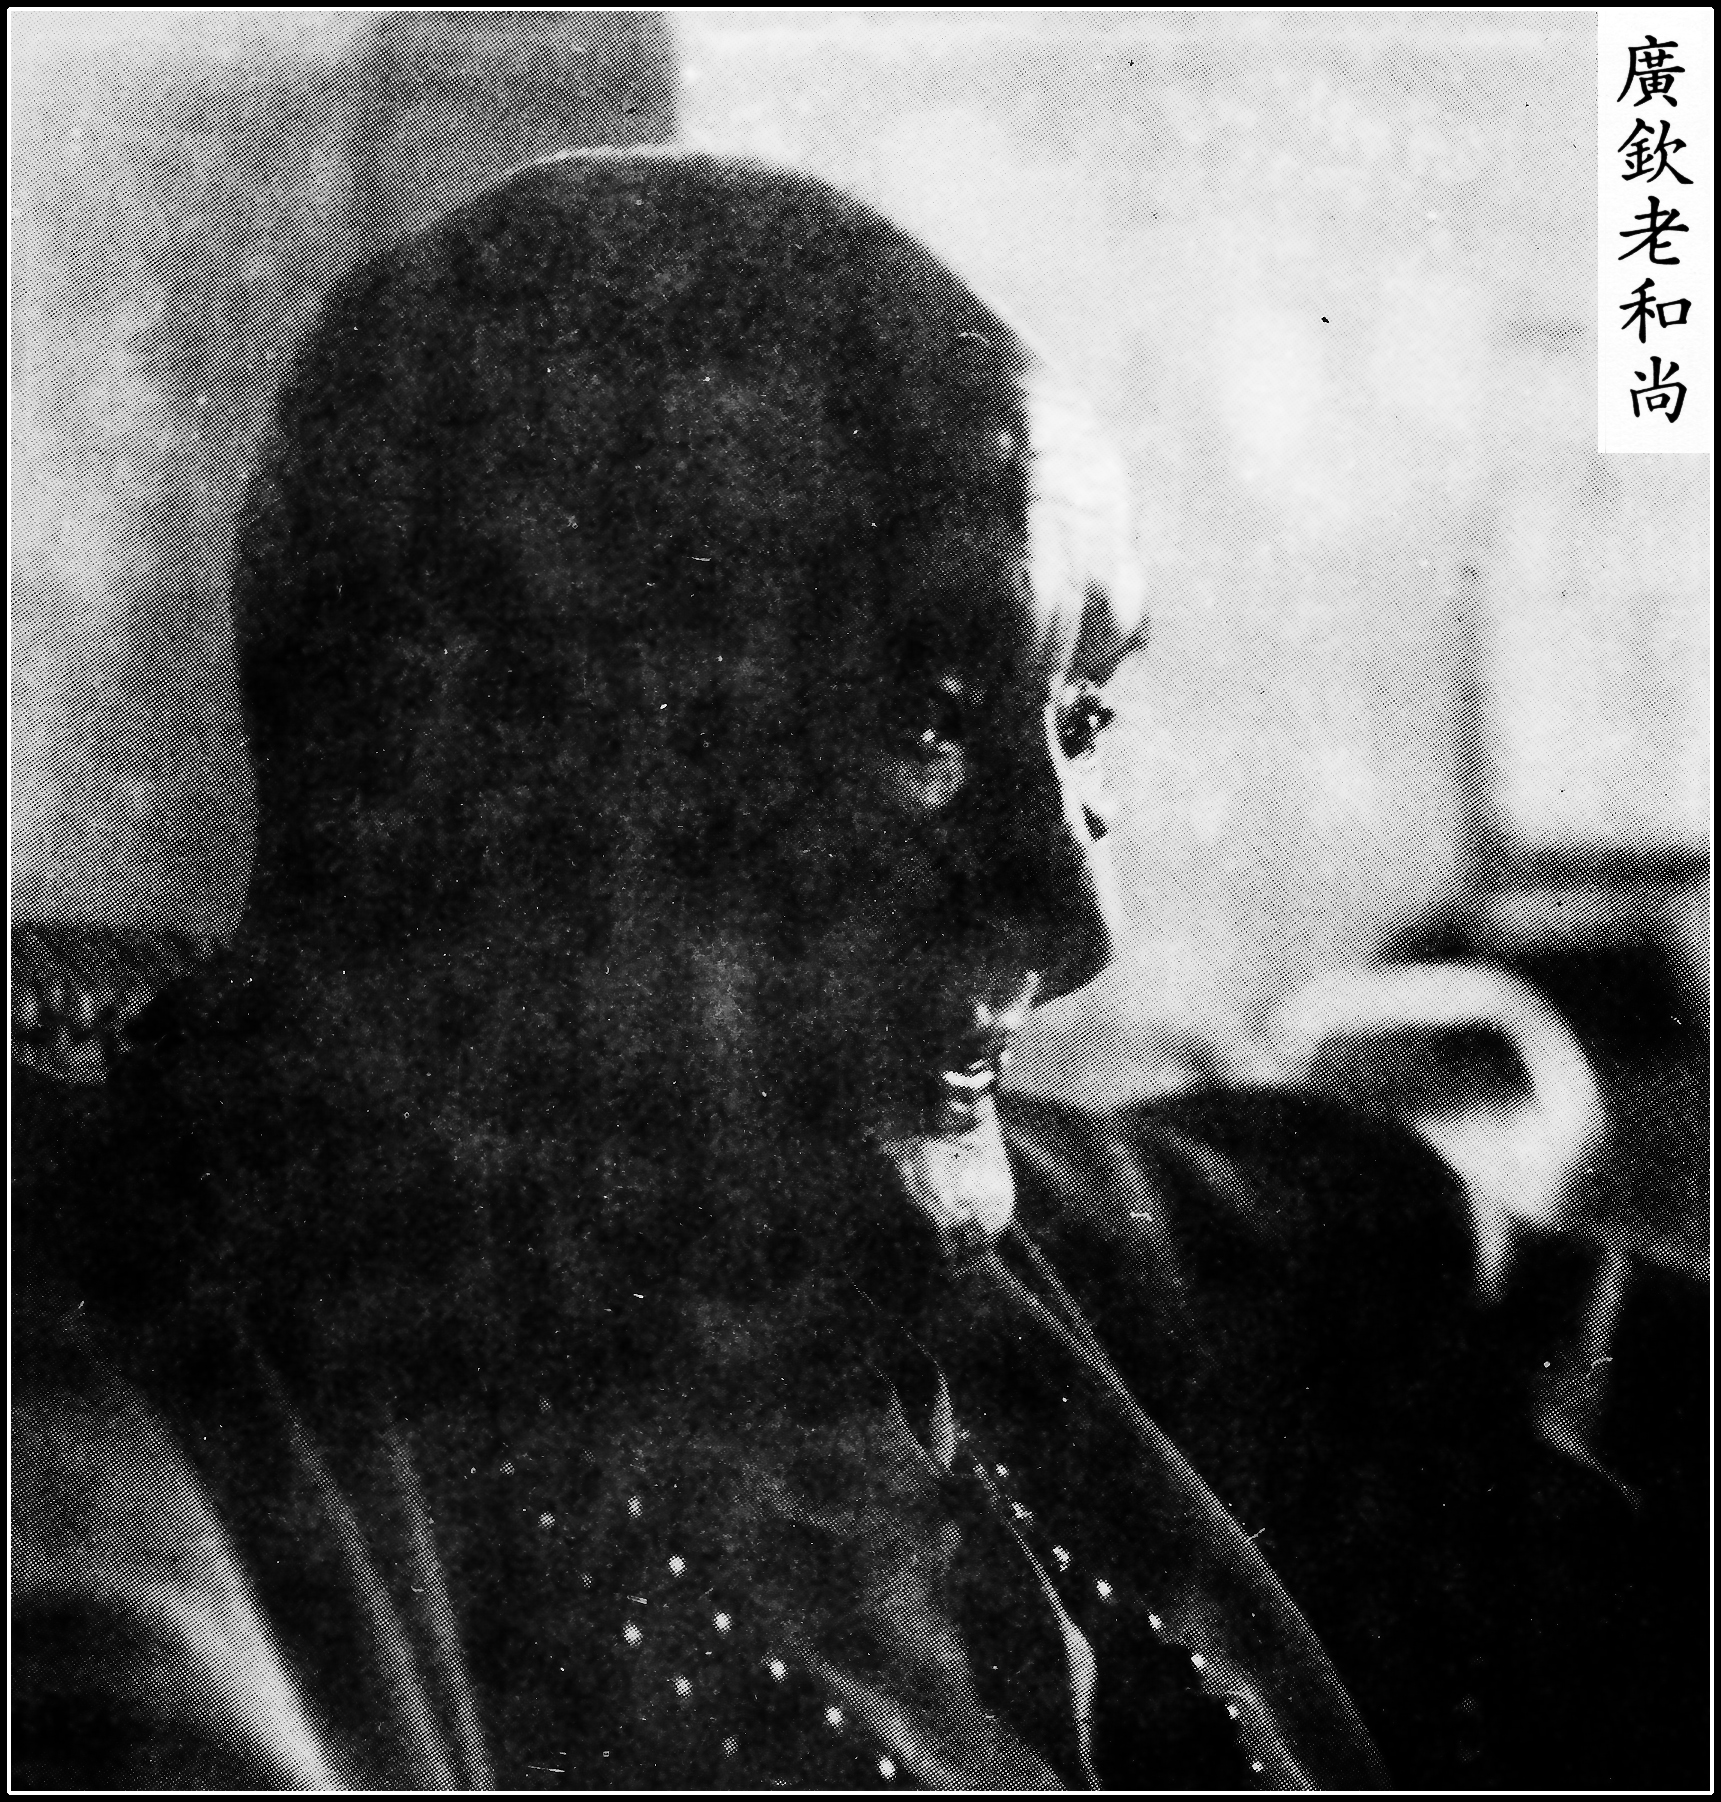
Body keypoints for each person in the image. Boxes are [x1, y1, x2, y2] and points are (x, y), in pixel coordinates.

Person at [13, 152, 1657, 1790]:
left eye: (1079, 718)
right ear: (479, 757)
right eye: (922, 723)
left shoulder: (1029, 1244)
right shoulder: (123, 1436)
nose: (1071, 912)